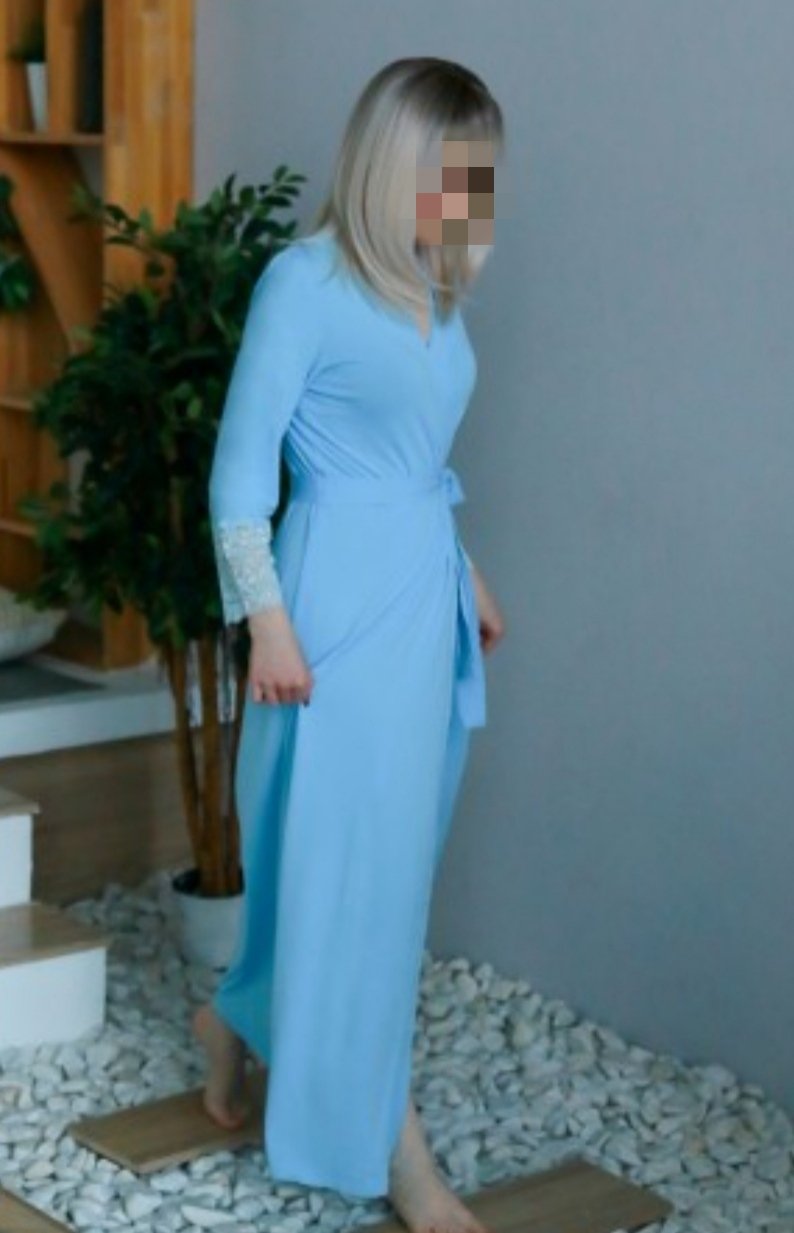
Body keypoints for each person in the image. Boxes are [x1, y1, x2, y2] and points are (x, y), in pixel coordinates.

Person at [193, 56, 507, 1233]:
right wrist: (265, 620)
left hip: (420, 600)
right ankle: (397, 1154)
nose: (471, 195)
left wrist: (463, 569)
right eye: (453, 171)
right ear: (394, 165)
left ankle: (233, 1017)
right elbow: (239, 473)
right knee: (344, 874)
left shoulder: (434, 286)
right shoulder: (305, 282)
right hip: (327, 615)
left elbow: (414, 459)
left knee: (379, 872)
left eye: (482, 172)